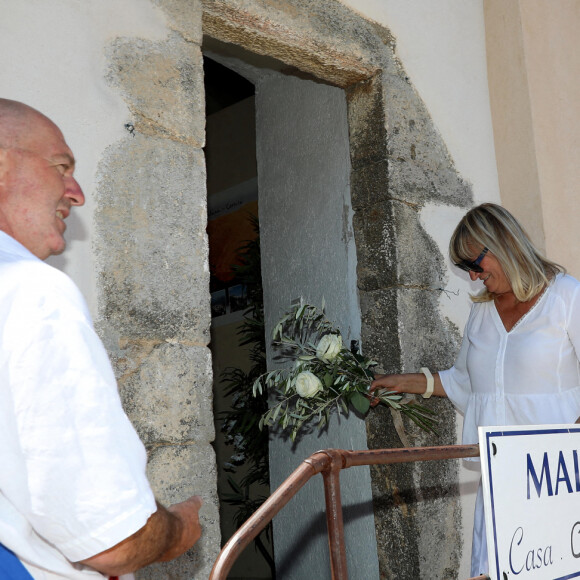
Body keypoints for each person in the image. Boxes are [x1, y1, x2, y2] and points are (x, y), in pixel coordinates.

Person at [0, 98, 202, 579]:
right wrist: (181, 528)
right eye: (61, 166)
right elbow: (114, 541)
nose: (76, 193)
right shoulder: (30, 291)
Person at [371, 202, 580, 577]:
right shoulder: (482, 313)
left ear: (501, 244)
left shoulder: (566, 297)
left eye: (473, 264)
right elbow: (463, 381)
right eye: (466, 268)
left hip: (559, 484)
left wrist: (563, 447)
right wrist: (405, 382)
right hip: (502, 484)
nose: (472, 277)